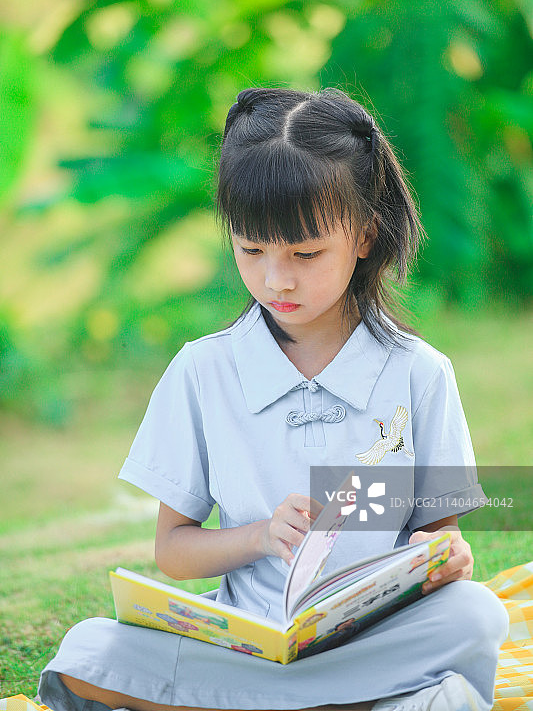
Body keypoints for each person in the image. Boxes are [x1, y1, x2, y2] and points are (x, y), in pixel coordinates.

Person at [39, 87, 509, 711]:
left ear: (365, 236)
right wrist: (261, 536)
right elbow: (173, 551)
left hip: (377, 641)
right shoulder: (203, 371)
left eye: (305, 253)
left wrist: (447, 560)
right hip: (245, 644)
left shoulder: (419, 374)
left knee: (475, 614)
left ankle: (268, 701)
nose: (275, 279)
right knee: (87, 649)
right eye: (251, 249)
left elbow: (438, 539)